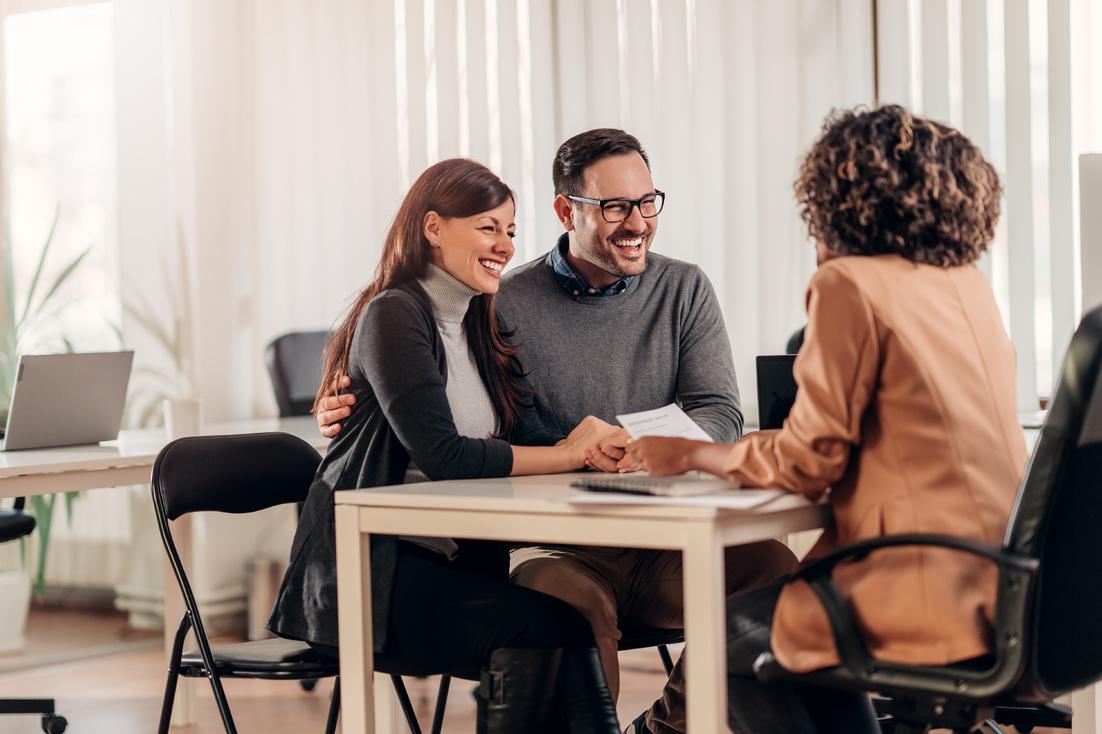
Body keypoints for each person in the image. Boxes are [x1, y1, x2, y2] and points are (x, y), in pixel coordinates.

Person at [317, 128, 796, 732]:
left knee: (778, 573)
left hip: (671, 538)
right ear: (567, 210)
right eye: (616, 206)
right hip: (558, 542)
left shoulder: (684, 288)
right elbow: (418, 354)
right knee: (560, 611)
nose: (638, 222)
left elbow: (720, 411)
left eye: (648, 203)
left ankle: (665, 728)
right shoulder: (498, 299)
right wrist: (344, 394)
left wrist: (656, 451)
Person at [625, 105, 1028, 733]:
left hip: (921, 580)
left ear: (838, 196)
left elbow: (808, 465)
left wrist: (693, 454)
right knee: (787, 644)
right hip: (1002, 582)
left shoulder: (849, 284)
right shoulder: (965, 283)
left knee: (727, 640)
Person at [268, 158, 622, 733]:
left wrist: (597, 445)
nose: (505, 245)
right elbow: (444, 455)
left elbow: (527, 434)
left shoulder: (482, 321)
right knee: (537, 632)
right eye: (488, 227)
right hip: (377, 574)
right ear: (433, 227)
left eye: (510, 231)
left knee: (565, 628)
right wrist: (570, 454)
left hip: (454, 564)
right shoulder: (394, 314)